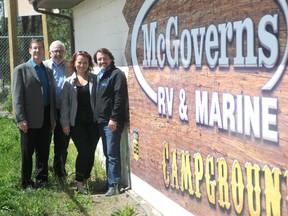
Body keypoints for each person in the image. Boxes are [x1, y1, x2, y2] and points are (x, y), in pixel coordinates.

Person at [12, 38, 56, 190]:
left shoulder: (48, 71)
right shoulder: (21, 70)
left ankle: (41, 180)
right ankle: (26, 182)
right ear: (30, 51)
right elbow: (17, 97)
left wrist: (52, 119)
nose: (37, 51)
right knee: (27, 153)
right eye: (34, 48)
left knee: (43, 151)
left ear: (44, 51)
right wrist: (21, 118)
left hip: (46, 117)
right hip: (29, 119)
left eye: (40, 48)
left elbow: (52, 95)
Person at [61, 51, 100, 194]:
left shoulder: (95, 80)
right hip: (76, 124)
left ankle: (86, 178)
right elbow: (65, 105)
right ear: (74, 63)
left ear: (89, 64)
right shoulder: (68, 82)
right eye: (79, 62)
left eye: (85, 62)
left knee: (91, 152)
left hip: (93, 123)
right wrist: (65, 123)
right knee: (83, 151)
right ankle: (79, 183)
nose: (82, 65)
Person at [93, 48, 128, 196]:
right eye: (99, 59)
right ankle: (109, 182)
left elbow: (120, 98)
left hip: (112, 122)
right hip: (102, 122)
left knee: (112, 154)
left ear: (111, 58)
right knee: (108, 153)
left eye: (105, 58)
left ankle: (114, 185)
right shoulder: (101, 75)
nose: (102, 61)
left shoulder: (116, 74)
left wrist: (113, 118)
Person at [44, 40, 71, 179]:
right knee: (44, 143)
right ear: (50, 53)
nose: (58, 53)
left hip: (64, 111)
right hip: (48, 111)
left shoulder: (71, 67)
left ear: (65, 53)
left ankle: (59, 172)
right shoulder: (43, 66)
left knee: (62, 144)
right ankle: (42, 173)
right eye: (55, 51)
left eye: (61, 51)